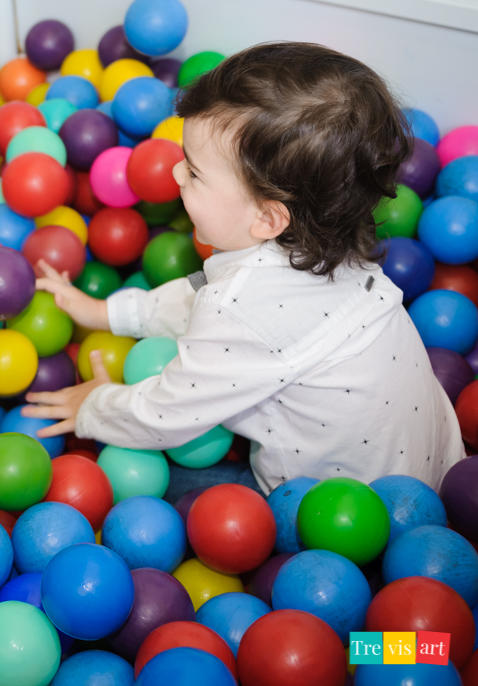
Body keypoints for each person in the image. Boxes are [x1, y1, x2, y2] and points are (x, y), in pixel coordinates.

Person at [23, 42, 466, 495]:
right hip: (437, 475)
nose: (175, 175)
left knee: (162, 483)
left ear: (268, 219)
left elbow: (165, 413)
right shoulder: (336, 238)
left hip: (342, 507)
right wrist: (110, 314)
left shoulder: (240, 307)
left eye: (194, 173)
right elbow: (210, 296)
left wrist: (94, 406)